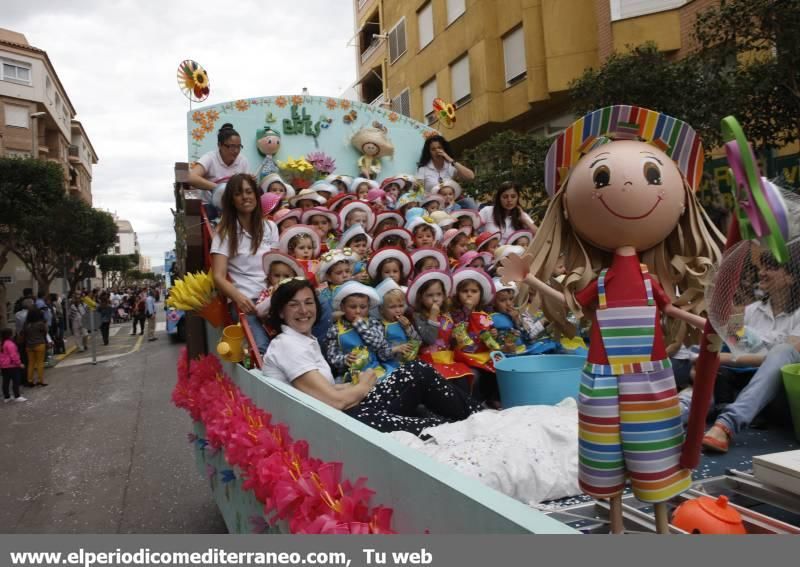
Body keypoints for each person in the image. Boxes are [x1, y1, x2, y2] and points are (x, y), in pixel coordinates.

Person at [262, 278, 481, 435]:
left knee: (417, 371)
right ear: (281, 312)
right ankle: (476, 424)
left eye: (308, 302)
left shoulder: (302, 340)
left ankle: (478, 418)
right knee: (433, 427)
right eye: (294, 304)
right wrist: (365, 385)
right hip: (334, 426)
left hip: (343, 412)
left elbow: (325, 391)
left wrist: (358, 386)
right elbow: (333, 401)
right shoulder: (288, 345)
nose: (303, 310)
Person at [700, 246, 800, 453]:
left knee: (782, 351)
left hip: (782, 396)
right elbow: (727, 337)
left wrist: (727, 358)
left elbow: (784, 357)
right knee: (694, 354)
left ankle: (727, 424)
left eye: (771, 267)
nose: (762, 272)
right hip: (743, 387)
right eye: (761, 267)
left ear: (791, 278)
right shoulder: (752, 311)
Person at [211, 173, 280, 355]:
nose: (245, 197)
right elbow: (218, 276)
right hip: (246, 301)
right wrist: (239, 298)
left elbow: (276, 266)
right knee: (261, 348)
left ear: (256, 196)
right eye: (238, 193)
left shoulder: (270, 228)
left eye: (249, 192)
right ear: (231, 200)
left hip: (272, 298)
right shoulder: (225, 232)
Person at [186, 123, 250, 192]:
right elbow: (191, 177)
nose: (236, 151)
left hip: (234, 202)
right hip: (210, 202)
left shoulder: (243, 161)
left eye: (238, 146)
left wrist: (250, 181)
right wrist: (219, 188)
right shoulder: (210, 158)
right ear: (219, 145)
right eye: (232, 146)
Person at [23, 307, 49, 387]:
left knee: (31, 363)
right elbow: (45, 332)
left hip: (29, 346)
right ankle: (40, 380)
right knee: (40, 363)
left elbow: (24, 334)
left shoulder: (26, 324)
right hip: (39, 344)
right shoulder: (40, 324)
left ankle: (30, 380)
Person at [1, 328, 26, 403]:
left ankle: (7, 397)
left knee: (5, 381)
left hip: (3, 366)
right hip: (12, 365)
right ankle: (17, 396)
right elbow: (14, 355)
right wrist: (19, 363)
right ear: (10, 335)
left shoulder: (2, 343)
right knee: (16, 381)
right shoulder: (10, 344)